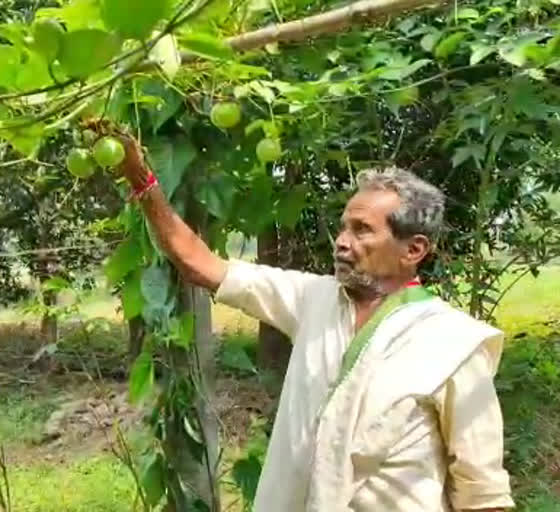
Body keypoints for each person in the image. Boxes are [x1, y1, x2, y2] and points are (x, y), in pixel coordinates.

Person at [117, 135, 515, 512]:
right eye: (344, 227)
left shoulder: (454, 344)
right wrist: (142, 179)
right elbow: (199, 264)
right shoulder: (312, 300)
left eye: (362, 230)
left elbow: (483, 493)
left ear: (413, 249)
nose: (342, 241)